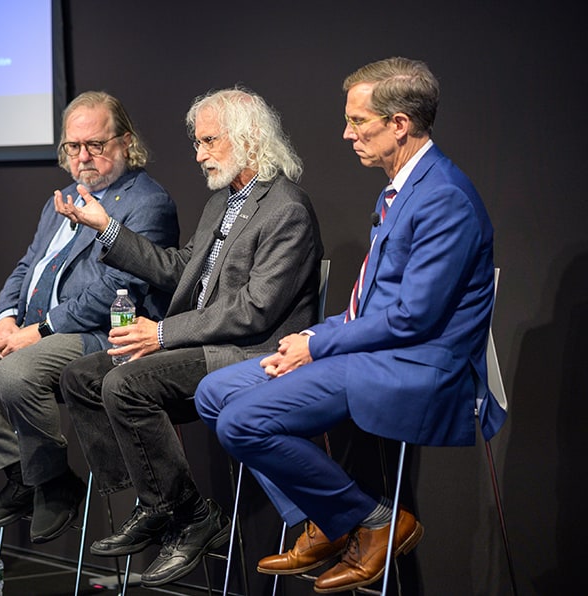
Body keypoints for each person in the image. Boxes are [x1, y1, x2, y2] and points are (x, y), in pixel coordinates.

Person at [195, 57, 507, 593]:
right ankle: (329, 519)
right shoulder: (401, 189)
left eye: (358, 121)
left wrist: (319, 345)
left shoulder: (443, 197)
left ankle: (375, 520)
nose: (346, 133)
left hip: (416, 364)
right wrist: (313, 335)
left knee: (241, 422)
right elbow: (373, 305)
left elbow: (414, 317)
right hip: (375, 350)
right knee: (213, 393)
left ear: (399, 124)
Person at [54, 87, 323, 587]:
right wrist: (107, 228)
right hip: (200, 342)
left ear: (248, 137)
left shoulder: (286, 208)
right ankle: (159, 503)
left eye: (208, 141)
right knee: (81, 377)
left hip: (249, 352)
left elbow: (254, 310)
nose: (198, 154)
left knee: (125, 385)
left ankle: (188, 514)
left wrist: (161, 332)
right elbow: (181, 269)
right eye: (198, 142)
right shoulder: (224, 201)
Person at [0, 91, 179, 544]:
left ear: (126, 142)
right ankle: (26, 473)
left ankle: (52, 482)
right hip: (32, 328)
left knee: (15, 372)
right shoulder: (63, 198)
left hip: (100, 335)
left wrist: (40, 330)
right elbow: (27, 265)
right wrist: (6, 318)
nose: (83, 157)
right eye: (73, 147)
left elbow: (117, 292)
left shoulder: (147, 202)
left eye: (95, 145)